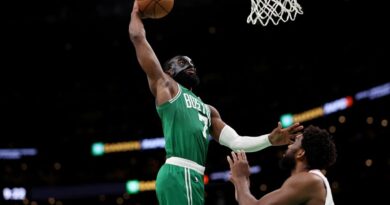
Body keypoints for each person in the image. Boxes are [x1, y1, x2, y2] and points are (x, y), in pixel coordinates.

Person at [128, 1, 304, 205]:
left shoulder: (208, 110)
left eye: (191, 63)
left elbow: (237, 143)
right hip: (179, 172)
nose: (190, 65)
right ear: (168, 72)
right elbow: (137, 38)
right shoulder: (166, 86)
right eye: (182, 63)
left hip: (191, 177)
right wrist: (136, 13)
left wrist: (269, 140)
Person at [227, 125, 337, 205]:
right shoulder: (310, 183)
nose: (289, 146)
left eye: (295, 142)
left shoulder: (310, 180)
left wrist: (240, 179)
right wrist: (242, 184)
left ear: (301, 153)